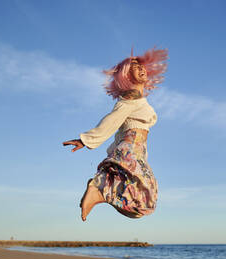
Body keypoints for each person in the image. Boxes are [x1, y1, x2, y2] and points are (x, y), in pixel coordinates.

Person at [63, 47, 168, 221]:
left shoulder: (138, 98)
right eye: (135, 67)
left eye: (142, 67)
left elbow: (121, 127)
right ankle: (98, 191)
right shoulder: (131, 96)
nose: (141, 69)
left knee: (144, 201)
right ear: (126, 75)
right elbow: (113, 119)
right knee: (144, 200)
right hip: (131, 147)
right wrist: (86, 140)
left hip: (136, 150)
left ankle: (99, 191)